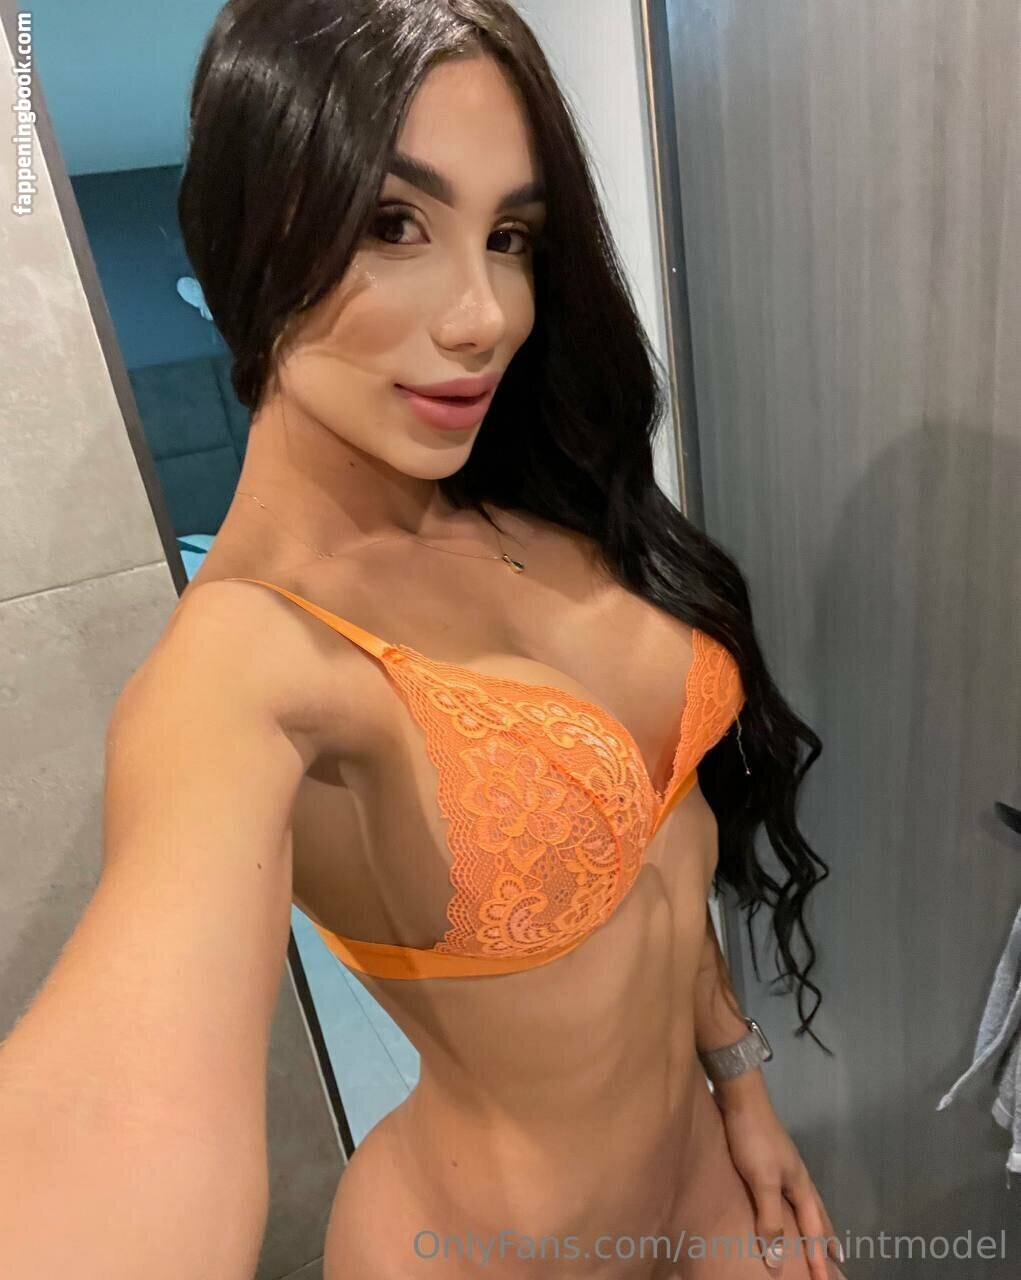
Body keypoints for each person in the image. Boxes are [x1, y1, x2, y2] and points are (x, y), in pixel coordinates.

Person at [0, 2, 849, 1276]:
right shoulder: (246, 660)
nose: (484, 314)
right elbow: (115, 1121)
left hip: (709, 1181)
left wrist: (740, 1081)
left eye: (509, 237)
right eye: (394, 223)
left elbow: (661, 858)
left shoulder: (532, 511)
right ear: (247, 231)